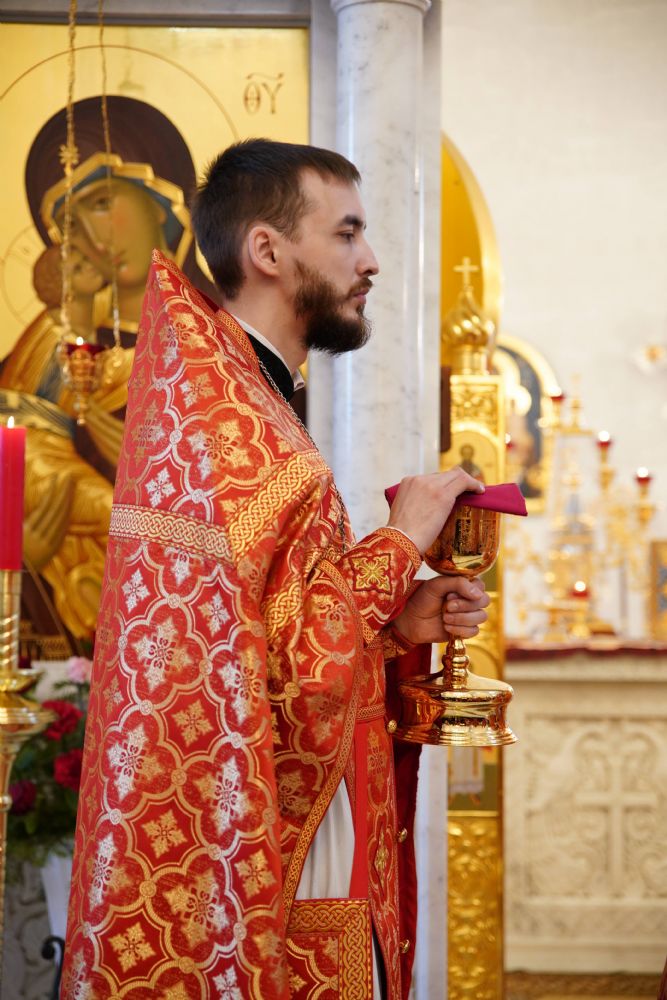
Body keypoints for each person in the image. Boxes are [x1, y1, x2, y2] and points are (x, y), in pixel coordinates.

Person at [62, 139, 489, 1000]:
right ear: (267, 249)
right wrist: (400, 541)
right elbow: (294, 677)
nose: (370, 261)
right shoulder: (235, 423)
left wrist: (395, 622)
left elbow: (272, 631)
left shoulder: (240, 399)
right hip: (287, 845)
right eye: (347, 233)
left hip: (307, 817)